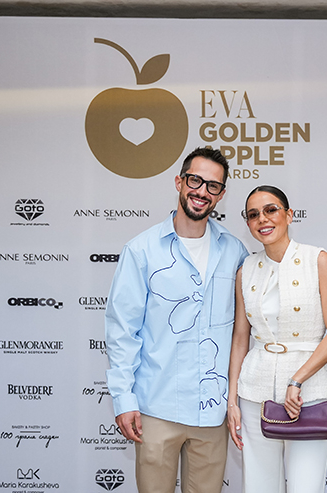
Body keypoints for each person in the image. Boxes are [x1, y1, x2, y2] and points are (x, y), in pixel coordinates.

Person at [105, 147, 248, 493]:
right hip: (156, 407)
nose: (202, 191)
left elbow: (243, 333)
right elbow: (122, 330)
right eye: (195, 180)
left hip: (212, 411)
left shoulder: (235, 252)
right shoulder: (141, 250)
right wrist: (124, 399)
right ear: (179, 182)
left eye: (213, 186)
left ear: (221, 195)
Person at [227, 185, 327, 493]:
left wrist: (297, 380)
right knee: (259, 487)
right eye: (253, 214)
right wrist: (232, 401)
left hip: (308, 394)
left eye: (271, 210)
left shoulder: (317, 260)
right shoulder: (246, 270)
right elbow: (240, 338)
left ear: (289, 215)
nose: (262, 219)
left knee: (306, 487)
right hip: (254, 392)